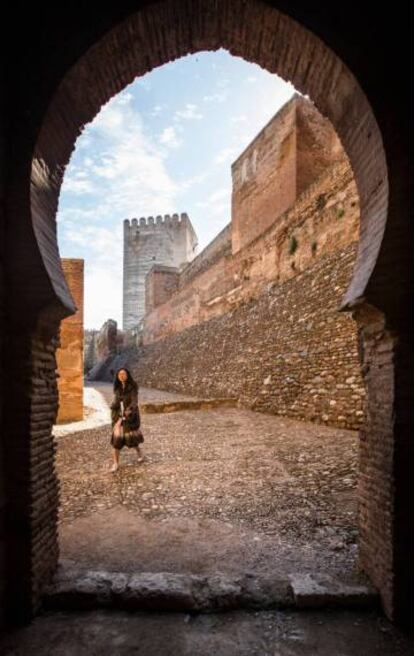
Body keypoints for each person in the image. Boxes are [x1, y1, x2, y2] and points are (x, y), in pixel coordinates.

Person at [110, 367, 144, 472]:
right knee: (116, 440)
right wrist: (114, 405)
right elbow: (115, 402)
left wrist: (129, 410)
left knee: (132, 438)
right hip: (118, 417)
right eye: (119, 374)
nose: (121, 376)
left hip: (130, 416)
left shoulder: (133, 387)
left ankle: (139, 452)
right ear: (117, 376)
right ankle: (116, 463)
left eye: (123, 374)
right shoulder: (117, 388)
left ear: (127, 375)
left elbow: (134, 401)